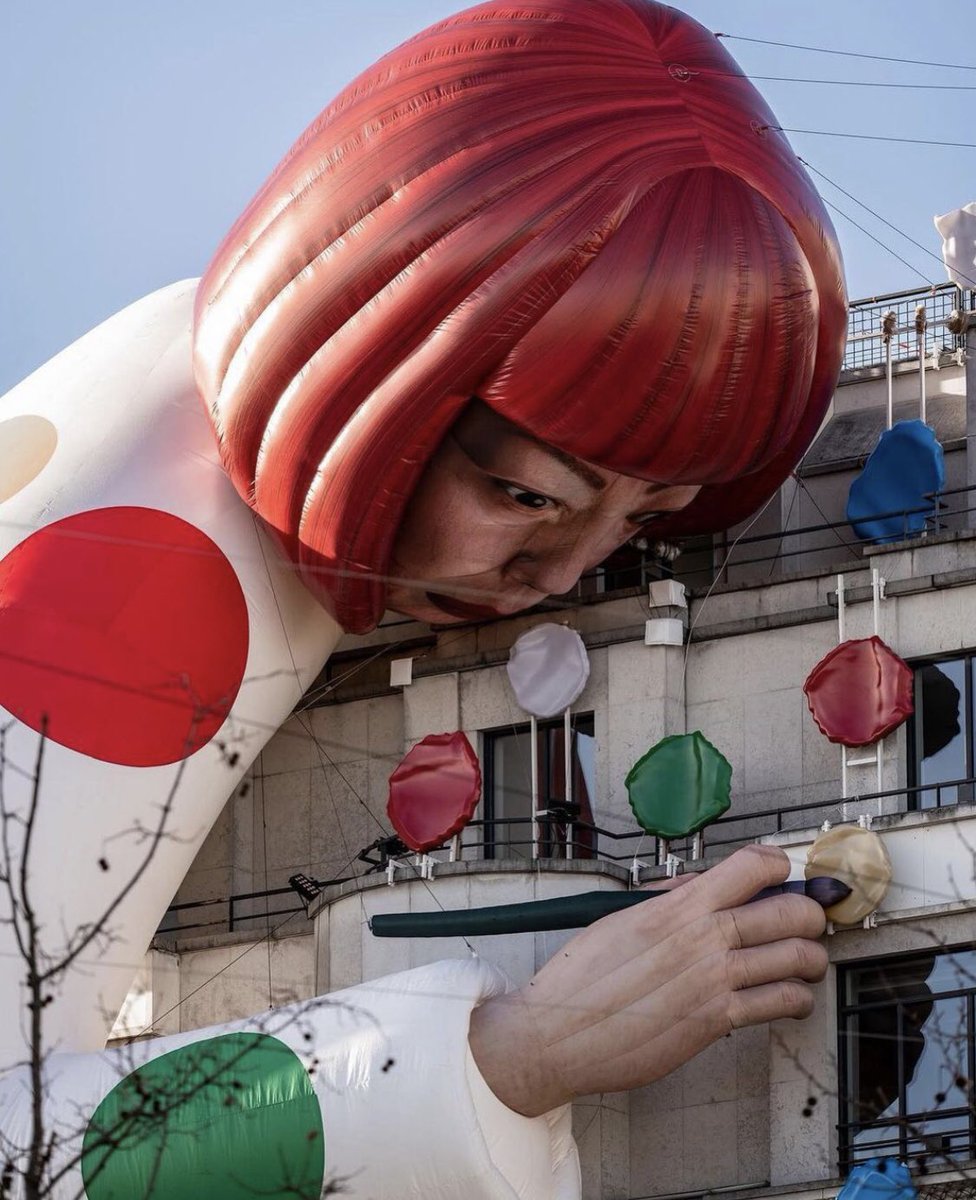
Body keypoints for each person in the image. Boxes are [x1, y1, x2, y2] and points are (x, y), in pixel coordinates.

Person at [0, 2, 847, 1196]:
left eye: (642, 522)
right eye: (526, 495)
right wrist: (505, 1057)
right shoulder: (124, 574)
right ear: (380, 390)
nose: (561, 578)